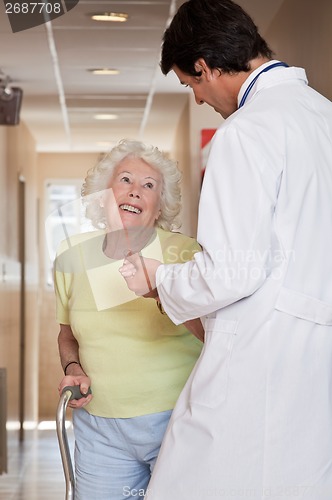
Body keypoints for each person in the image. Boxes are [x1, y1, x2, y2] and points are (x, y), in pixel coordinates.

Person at [119, 1, 332, 499]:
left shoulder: (247, 131)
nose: (197, 99)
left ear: (205, 66)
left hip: (259, 358)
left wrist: (159, 279)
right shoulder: (325, 116)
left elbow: (232, 272)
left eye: (191, 84)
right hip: (313, 363)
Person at [54, 139, 203, 500]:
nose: (135, 192)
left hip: (175, 421)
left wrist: (162, 292)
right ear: (104, 194)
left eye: (149, 186)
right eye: (125, 180)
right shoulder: (70, 256)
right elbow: (67, 334)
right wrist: (72, 366)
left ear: (159, 207)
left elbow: (211, 333)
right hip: (98, 428)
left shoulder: (183, 253)